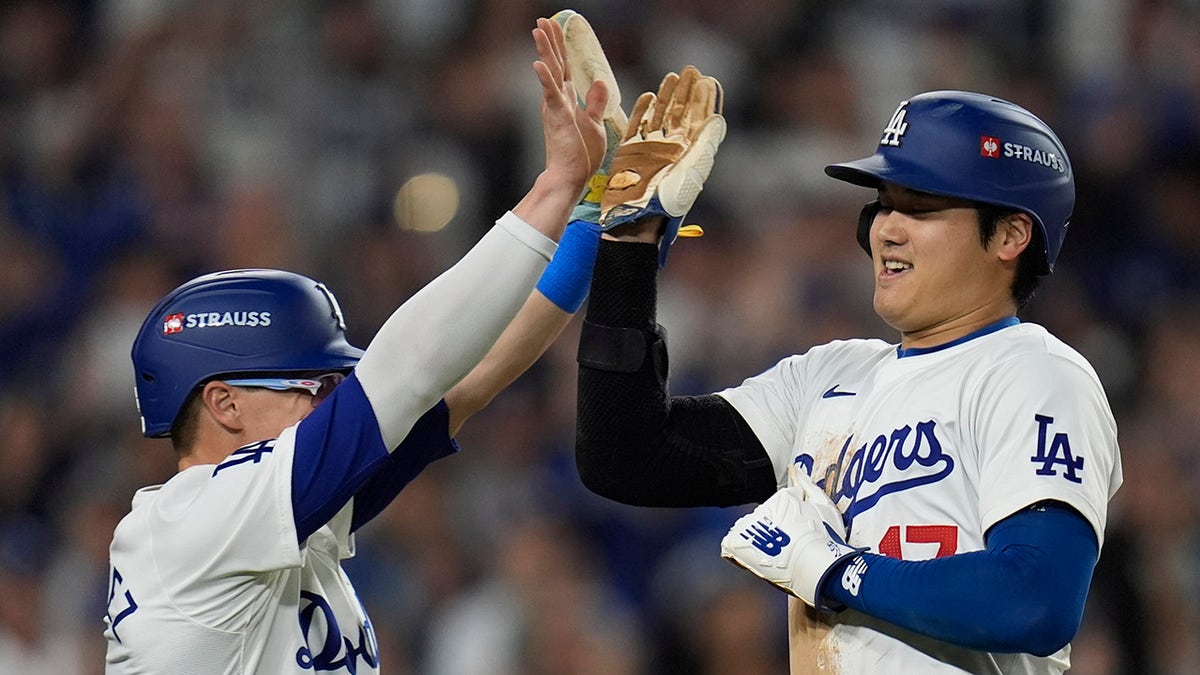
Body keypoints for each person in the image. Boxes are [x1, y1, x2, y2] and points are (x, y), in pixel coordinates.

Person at [103, 17, 609, 674]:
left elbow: (469, 377)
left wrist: (604, 221)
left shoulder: (276, 520)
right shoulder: (186, 523)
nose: (334, 397)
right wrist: (554, 187)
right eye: (312, 384)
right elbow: (408, 368)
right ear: (224, 403)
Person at [573, 76, 1122, 673]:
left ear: (1012, 235)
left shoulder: (1035, 375)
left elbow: (1035, 601)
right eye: (883, 202)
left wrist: (836, 570)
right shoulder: (829, 376)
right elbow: (624, 455)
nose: (885, 227)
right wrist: (629, 244)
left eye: (921, 206)